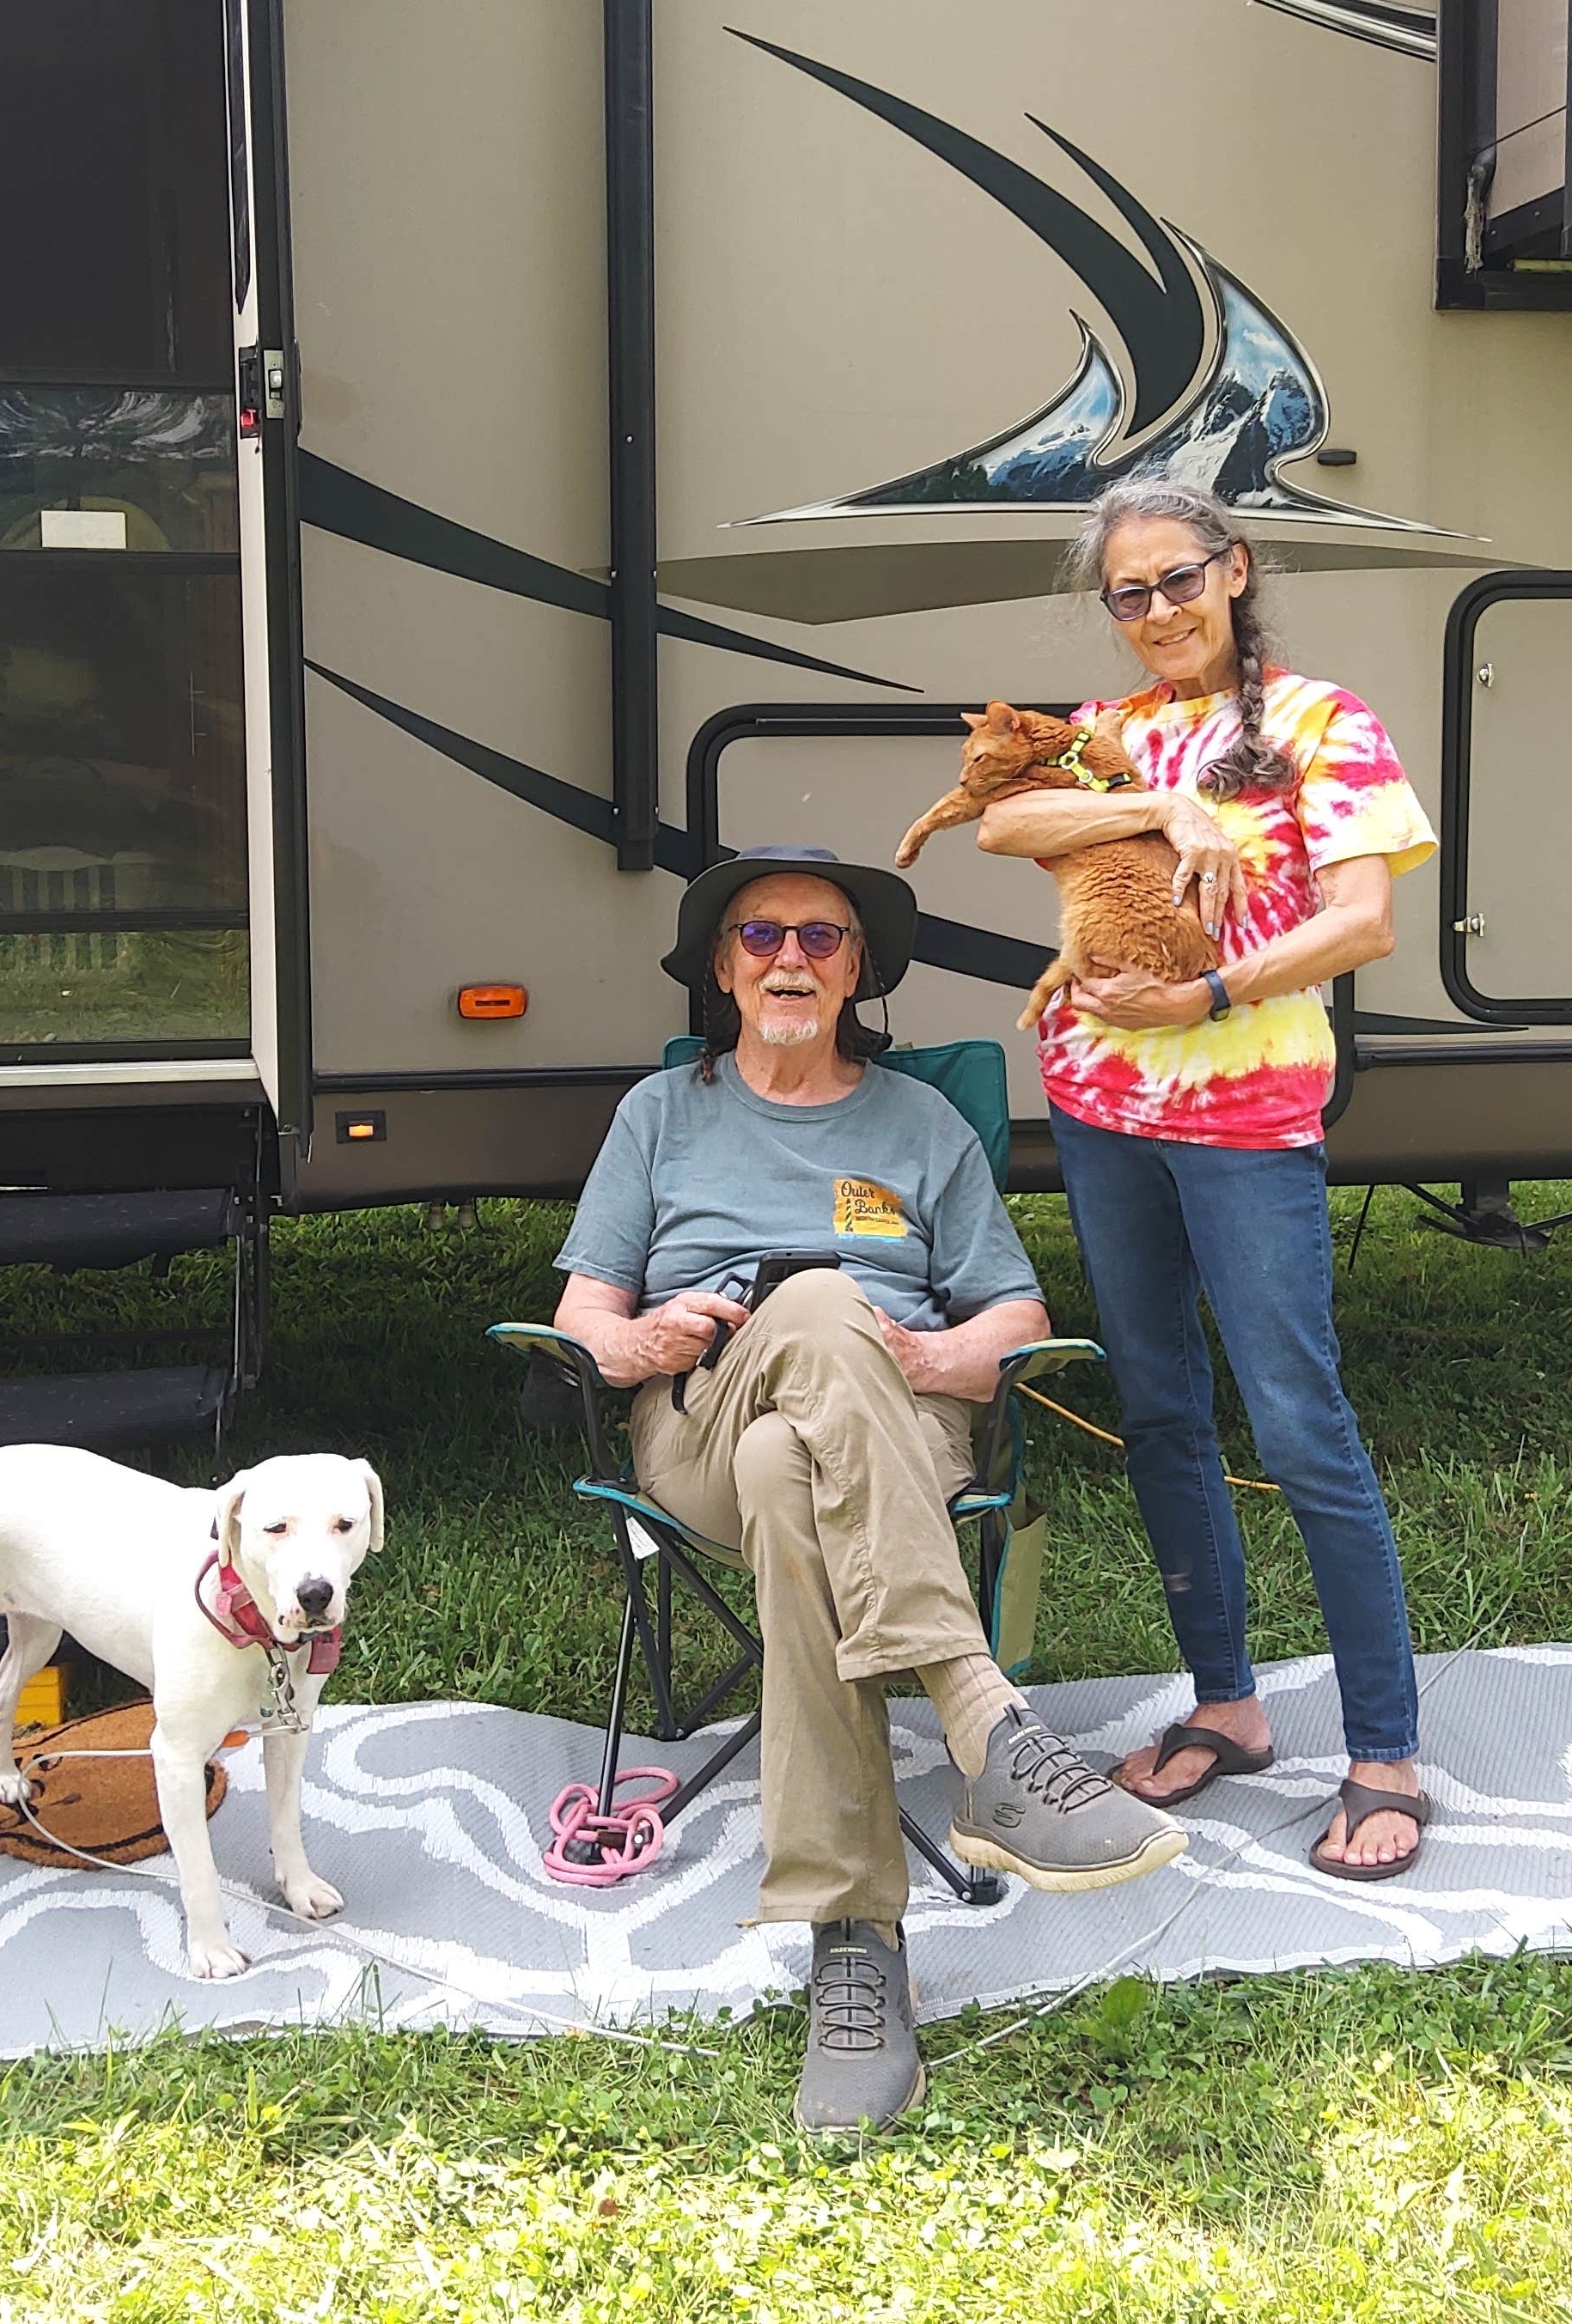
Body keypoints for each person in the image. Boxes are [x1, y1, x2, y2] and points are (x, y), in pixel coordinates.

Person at [551, 844, 1186, 2132]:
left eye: (822, 939)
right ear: (723, 971)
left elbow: (1015, 1317)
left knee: (793, 1463)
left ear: (857, 974)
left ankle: (856, 1944)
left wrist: (937, 1356)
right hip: (702, 1417)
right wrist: (650, 1337)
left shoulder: (922, 1123)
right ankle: (985, 1726)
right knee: (814, 1309)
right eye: (762, 936)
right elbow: (581, 1321)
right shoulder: (660, 1115)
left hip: (892, 1425)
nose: (791, 958)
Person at [973, 475, 1439, 1883]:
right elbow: (1001, 824)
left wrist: (1211, 992)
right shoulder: (1109, 731)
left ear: (1234, 570)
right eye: (1130, 593)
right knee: (1162, 1410)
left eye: (1180, 578)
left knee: (1299, 1425)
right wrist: (1168, 813)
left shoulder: (1320, 723)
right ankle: (1227, 1707)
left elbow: (1364, 922)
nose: (1159, 610)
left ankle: (1383, 1753)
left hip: (1244, 1117)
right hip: (1099, 1110)